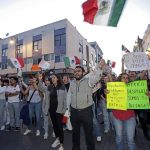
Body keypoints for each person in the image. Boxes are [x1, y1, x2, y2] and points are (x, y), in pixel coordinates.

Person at [67, 60, 105, 150]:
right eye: (75, 71)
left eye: (79, 71)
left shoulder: (89, 81)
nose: (76, 73)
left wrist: (99, 68)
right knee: (75, 134)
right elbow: (69, 95)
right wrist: (68, 109)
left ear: (83, 73)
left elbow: (97, 77)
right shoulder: (71, 83)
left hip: (86, 112)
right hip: (74, 112)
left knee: (89, 134)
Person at [38, 73, 67, 150]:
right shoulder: (49, 87)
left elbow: (65, 99)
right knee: (54, 126)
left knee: (59, 127)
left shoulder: (62, 87)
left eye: (54, 77)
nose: (52, 79)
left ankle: (61, 144)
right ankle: (57, 139)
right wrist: (40, 80)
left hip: (59, 110)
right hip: (51, 109)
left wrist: (64, 110)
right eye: (52, 78)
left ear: (57, 78)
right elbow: (41, 89)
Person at [112, 73, 136, 150]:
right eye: (123, 78)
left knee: (130, 139)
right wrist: (108, 94)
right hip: (117, 116)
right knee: (119, 137)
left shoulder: (133, 89)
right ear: (120, 79)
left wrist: (146, 96)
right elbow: (108, 100)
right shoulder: (114, 89)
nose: (125, 79)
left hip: (130, 116)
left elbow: (140, 98)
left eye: (127, 78)